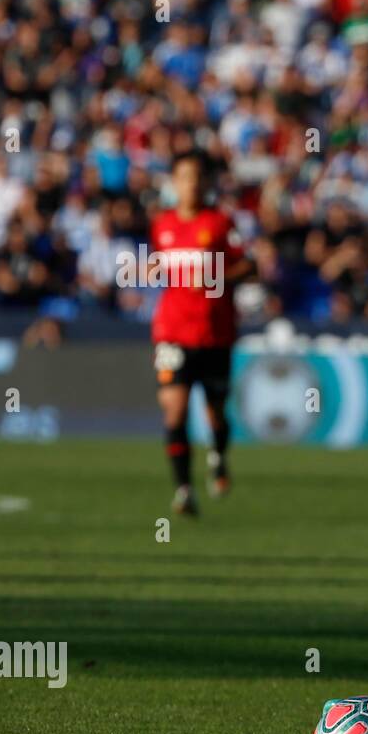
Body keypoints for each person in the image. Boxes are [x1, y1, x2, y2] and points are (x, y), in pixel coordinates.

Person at [150, 151, 252, 515]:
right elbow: (159, 265)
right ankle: (183, 489)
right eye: (183, 177)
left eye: (196, 176)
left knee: (215, 414)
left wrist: (218, 277)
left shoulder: (222, 223)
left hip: (214, 334)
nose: (190, 184)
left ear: (206, 182)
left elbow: (249, 266)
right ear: (174, 183)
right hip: (171, 333)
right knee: (174, 412)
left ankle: (218, 456)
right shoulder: (162, 224)